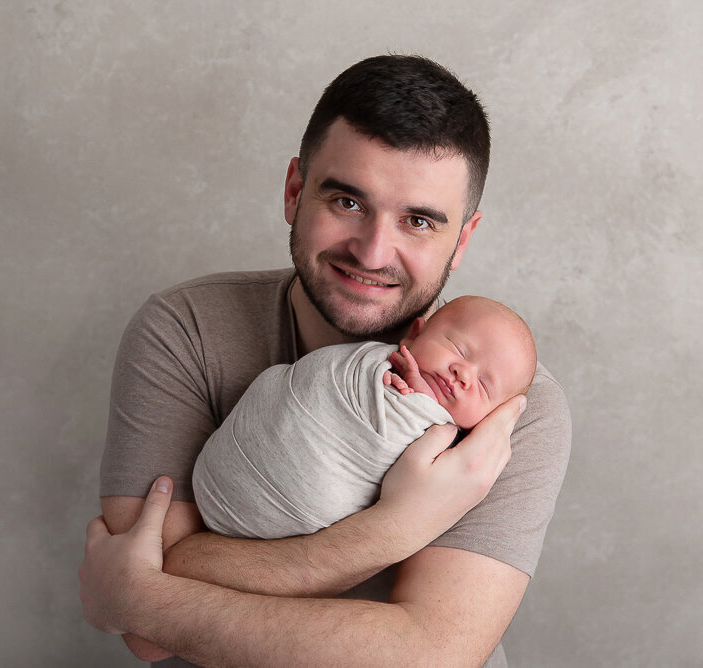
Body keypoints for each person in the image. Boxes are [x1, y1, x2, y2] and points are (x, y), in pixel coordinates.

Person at [80, 54, 571, 667]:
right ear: (294, 192)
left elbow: (433, 657)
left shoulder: (510, 403)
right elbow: (150, 637)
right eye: (347, 202)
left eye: (418, 221)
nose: (372, 252)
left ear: (462, 239)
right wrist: (396, 528)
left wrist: (145, 598)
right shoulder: (184, 332)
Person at [195, 296, 539, 540]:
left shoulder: (480, 450)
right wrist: (416, 399)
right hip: (225, 470)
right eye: (458, 349)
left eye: (482, 385)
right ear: (416, 333)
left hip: (283, 520)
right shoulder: (372, 368)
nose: (462, 373)